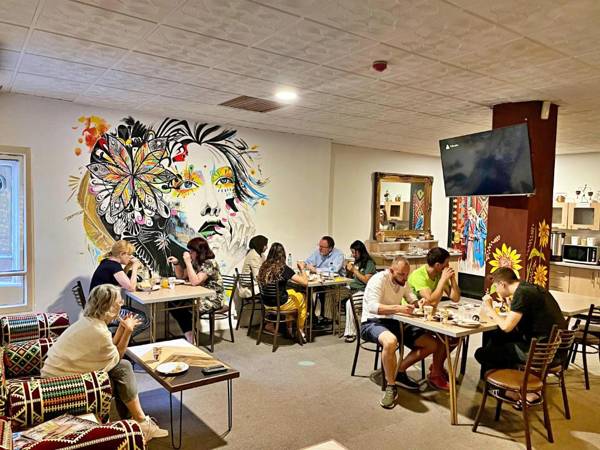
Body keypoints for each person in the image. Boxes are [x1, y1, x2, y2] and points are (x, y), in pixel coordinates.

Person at [41, 284, 168, 443]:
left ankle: (134, 421)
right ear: (110, 307)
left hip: (54, 375)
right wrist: (128, 331)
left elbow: (110, 349)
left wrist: (121, 328)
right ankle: (141, 422)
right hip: (60, 384)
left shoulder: (91, 322)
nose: (122, 304)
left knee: (123, 369)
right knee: (123, 368)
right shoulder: (98, 331)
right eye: (119, 302)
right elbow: (117, 356)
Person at [361, 256, 446, 409]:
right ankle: (391, 386)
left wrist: (418, 303)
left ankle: (399, 371)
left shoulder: (403, 282)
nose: (405, 278)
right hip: (372, 321)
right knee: (390, 341)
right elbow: (373, 307)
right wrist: (398, 308)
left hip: (395, 321)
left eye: (407, 274)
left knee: (432, 344)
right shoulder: (378, 280)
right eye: (401, 274)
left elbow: (411, 297)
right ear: (391, 271)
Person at [475, 267, 567, 404]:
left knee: (483, 353)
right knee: (500, 338)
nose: (496, 291)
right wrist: (511, 306)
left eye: (496, 287)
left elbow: (506, 327)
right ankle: (522, 387)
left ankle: (510, 390)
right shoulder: (532, 288)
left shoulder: (521, 293)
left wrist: (489, 308)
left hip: (538, 353)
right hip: (556, 350)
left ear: (502, 284)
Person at [407, 247, 461, 388]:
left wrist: (452, 280)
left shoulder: (438, 275)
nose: (448, 266)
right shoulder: (419, 275)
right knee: (443, 337)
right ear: (438, 265)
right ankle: (436, 374)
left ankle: (437, 367)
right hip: (412, 318)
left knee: (455, 337)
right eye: (446, 263)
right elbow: (430, 301)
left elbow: (455, 298)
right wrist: (442, 280)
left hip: (430, 317)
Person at [167, 237, 224, 343]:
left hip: (212, 298)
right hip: (199, 296)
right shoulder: (196, 262)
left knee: (183, 307)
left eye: (192, 251)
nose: (190, 253)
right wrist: (177, 263)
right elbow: (182, 276)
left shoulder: (210, 263)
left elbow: (195, 282)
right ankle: (190, 333)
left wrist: (188, 262)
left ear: (199, 251)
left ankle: (190, 336)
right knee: (172, 303)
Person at [257, 243, 308, 342]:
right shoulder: (283, 268)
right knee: (302, 297)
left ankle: (289, 329)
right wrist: (302, 268)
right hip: (279, 304)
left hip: (266, 303)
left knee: (292, 292)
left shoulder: (263, 266)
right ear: (283, 255)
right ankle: (300, 329)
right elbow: (305, 282)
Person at [303, 236, 344, 326]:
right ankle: (312, 317)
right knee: (305, 290)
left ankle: (326, 317)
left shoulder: (338, 255)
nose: (320, 248)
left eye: (322, 247)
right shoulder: (318, 252)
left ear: (330, 248)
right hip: (320, 282)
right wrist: (304, 264)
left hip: (336, 284)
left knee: (325, 291)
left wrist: (316, 270)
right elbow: (307, 262)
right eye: (319, 246)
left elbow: (334, 270)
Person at [342, 240, 377, 343]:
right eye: (352, 252)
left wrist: (354, 270)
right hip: (352, 288)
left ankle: (350, 333)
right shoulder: (356, 262)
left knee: (349, 303)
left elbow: (367, 280)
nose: (353, 255)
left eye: (354, 252)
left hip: (362, 291)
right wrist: (348, 270)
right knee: (333, 293)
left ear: (359, 251)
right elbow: (351, 277)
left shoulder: (369, 263)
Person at [239, 235, 268, 299]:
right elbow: (257, 276)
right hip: (249, 289)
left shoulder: (259, 255)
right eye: (265, 245)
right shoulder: (253, 256)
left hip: (253, 285)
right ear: (260, 245)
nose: (267, 247)